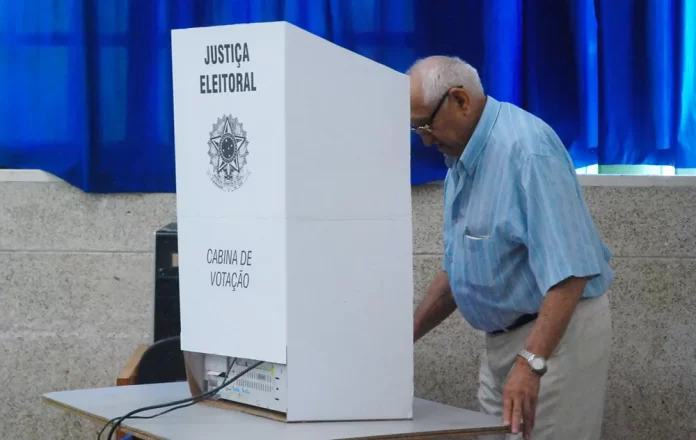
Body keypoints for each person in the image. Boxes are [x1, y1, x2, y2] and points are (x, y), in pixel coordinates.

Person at [409, 55, 614, 440]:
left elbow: (571, 273)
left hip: (554, 338)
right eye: (416, 128)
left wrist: (531, 362)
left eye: (426, 125)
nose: (425, 140)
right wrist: (404, 337)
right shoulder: (460, 160)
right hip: (503, 342)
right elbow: (458, 271)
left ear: (460, 100)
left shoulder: (527, 150)